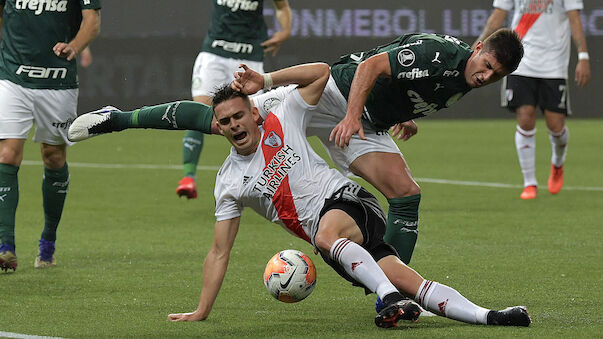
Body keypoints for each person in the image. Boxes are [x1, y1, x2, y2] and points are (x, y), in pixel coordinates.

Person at [69, 30, 524, 272]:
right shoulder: (440, 54)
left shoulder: (462, 77)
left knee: (406, 194)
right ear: (478, 47)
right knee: (221, 118)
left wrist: (400, 113)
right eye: (486, 65)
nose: (486, 76)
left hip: (365, 119)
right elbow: (371, 65)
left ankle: (394, 290)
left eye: (495, 75)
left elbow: (401, 82)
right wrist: (350, 115)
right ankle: (119, 118)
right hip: (336, 98)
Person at [164, 63, 531, 328]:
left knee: (327, 238)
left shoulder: (283, 116)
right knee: (412, 284)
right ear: (220, 128)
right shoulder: (229, 182)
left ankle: (387, 296)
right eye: (225, 122)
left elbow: (322, 72)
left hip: (347, 202)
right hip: (342, 247)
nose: (234, 125)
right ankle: (491, 316)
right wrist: (201, 310)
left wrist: (268, 81)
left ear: (254, 114)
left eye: (239, 116)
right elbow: (219, 250)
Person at [0, 0, 101, 272]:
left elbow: (92, 21)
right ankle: (5, 244)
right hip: (11, 76)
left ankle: (48, 241)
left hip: (57, 80)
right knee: (7, 153)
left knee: (53, 155)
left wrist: (75, 46)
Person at [475, 0, 590, 199]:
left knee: (556, 126)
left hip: (554, 62)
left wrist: (584, 56)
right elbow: (497, 17)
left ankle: (558, 163)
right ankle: (530, 183)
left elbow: (575, 19)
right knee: (525, 117)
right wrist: (477, 46)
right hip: (521, 61)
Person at [177, 0, 291, 200]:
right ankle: (188, 177)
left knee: (259, 119)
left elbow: (282, 7)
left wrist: (285, 32)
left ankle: (271, 182)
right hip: (214, 53)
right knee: (199, 111)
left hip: (248, 57)